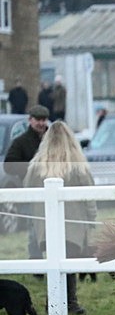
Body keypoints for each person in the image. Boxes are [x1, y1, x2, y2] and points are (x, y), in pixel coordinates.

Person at [23, 121, 96, 315]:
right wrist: (91, 219)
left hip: (45, 226)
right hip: (72, 226)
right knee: (68, 264)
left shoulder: (37, 166)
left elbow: (27, 192)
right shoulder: (78, 167)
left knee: (56, 263)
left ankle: (59, 302)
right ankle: (66, 302)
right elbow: (89, 195)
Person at [3, 105, 50, 267]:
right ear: (30, 120)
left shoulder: (53, 140)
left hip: (54, 189)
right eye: (38, 120)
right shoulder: (21, 142)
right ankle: (36, 264)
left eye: (43, 120)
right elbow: (9, 165)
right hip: (32, 191)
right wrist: (33, 168)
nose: (41, 123)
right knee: (34, 228)